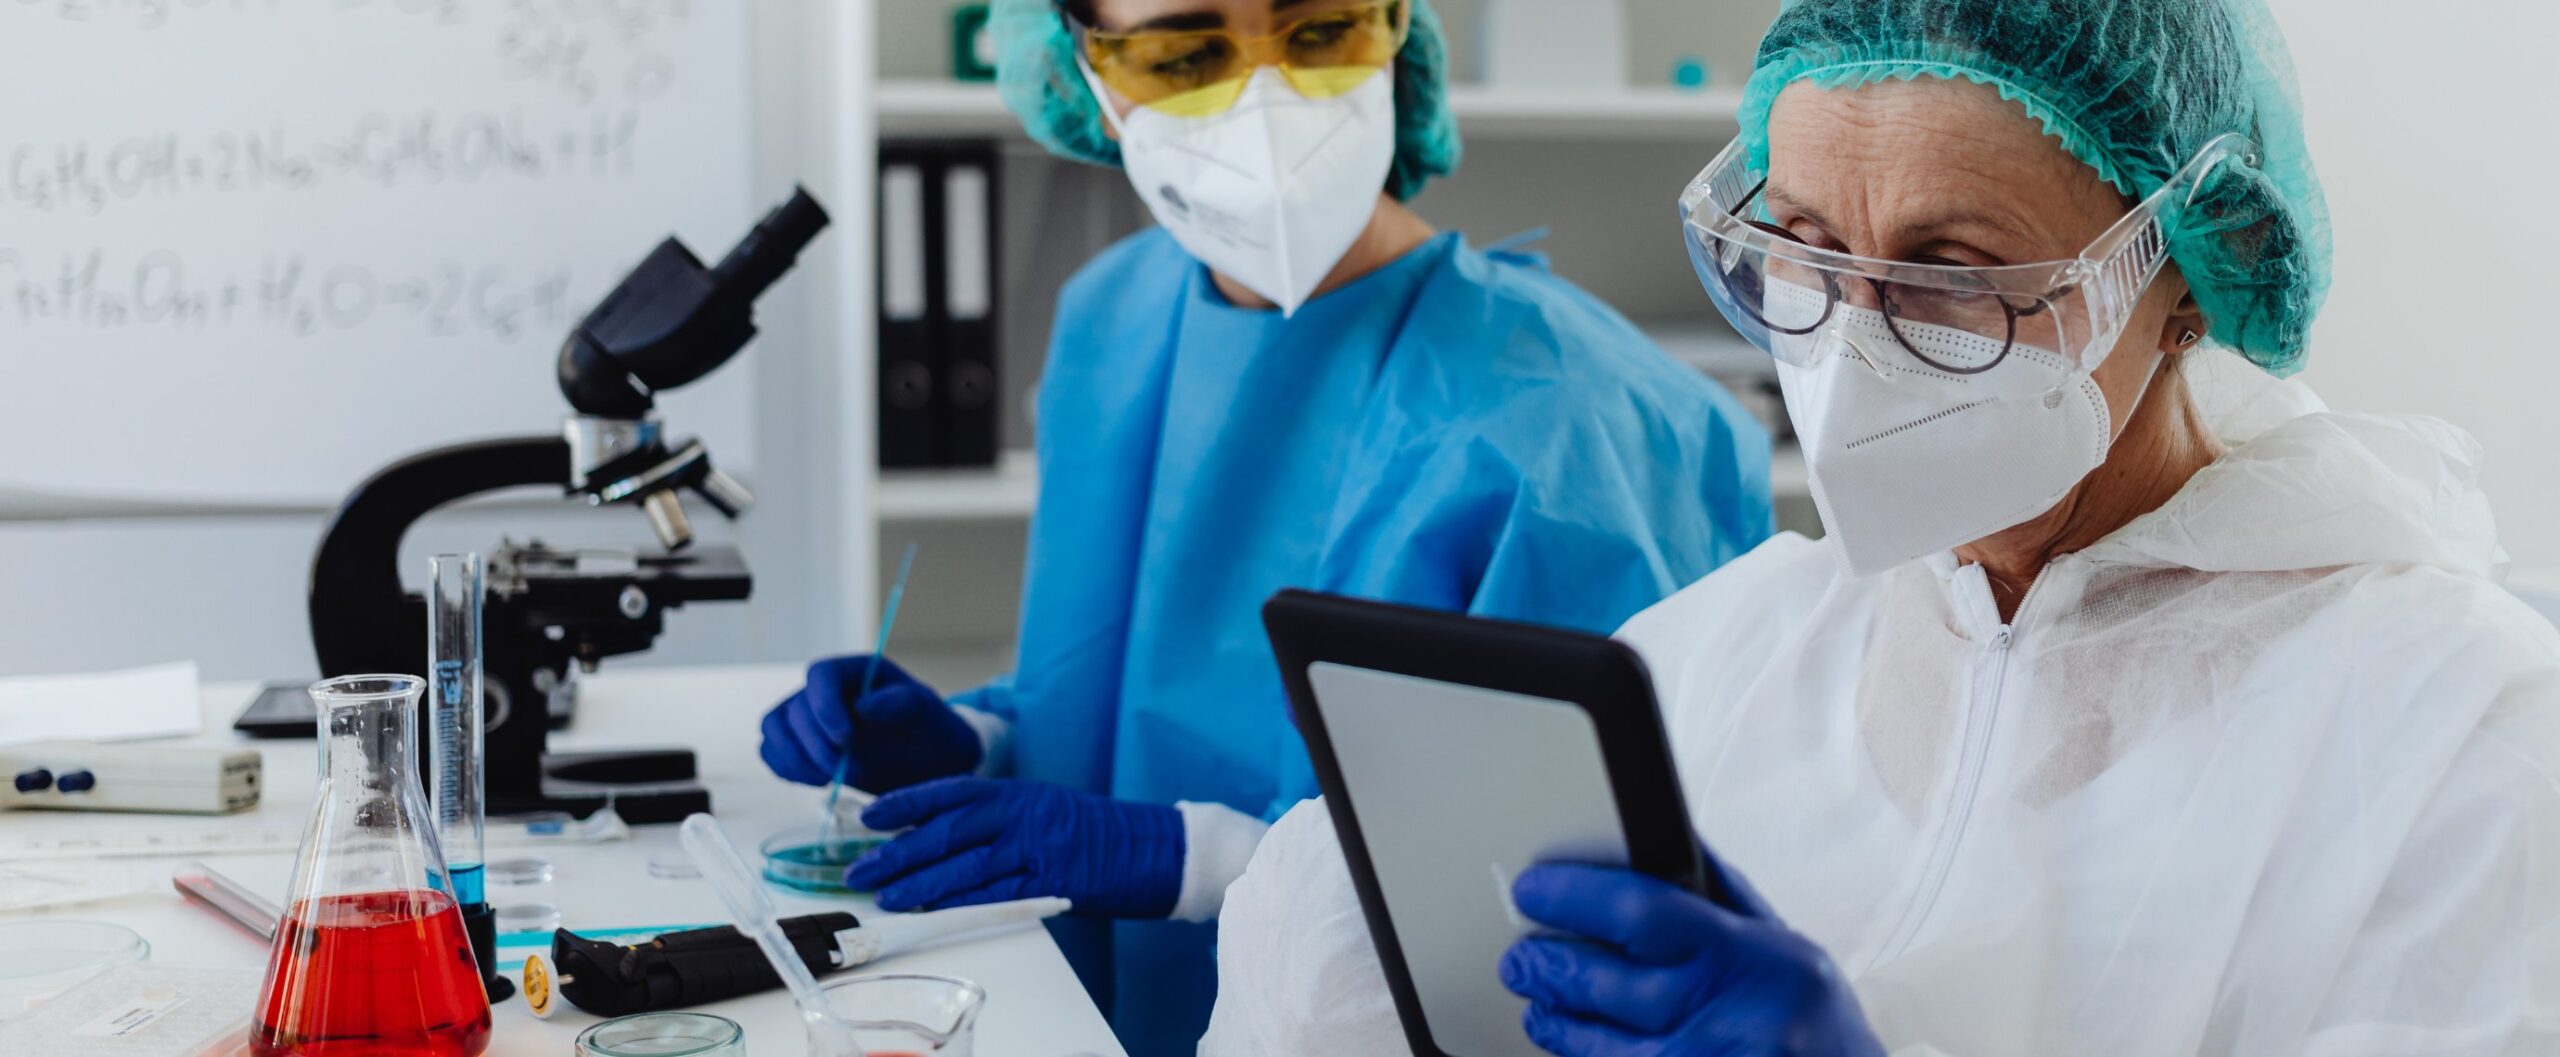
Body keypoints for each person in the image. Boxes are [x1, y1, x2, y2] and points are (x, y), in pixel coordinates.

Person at [1202, 0, 2560, 1054]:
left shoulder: (2455, 728)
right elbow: (1308, 988)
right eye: (1800, 247)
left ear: (2194, 272)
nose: (1851, 354)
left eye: (1952, 275)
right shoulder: (1742, 648)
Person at [756, 1, 1777, 1052]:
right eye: (1185, 54)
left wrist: (1189, 860)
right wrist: (980, 742)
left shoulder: (1581, 423)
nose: (1264, 99)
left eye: (1320, 31)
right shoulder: (1115, 316)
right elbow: (1140, 688)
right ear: (1086, 82)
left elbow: (1560, 922)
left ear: (1396, 31)